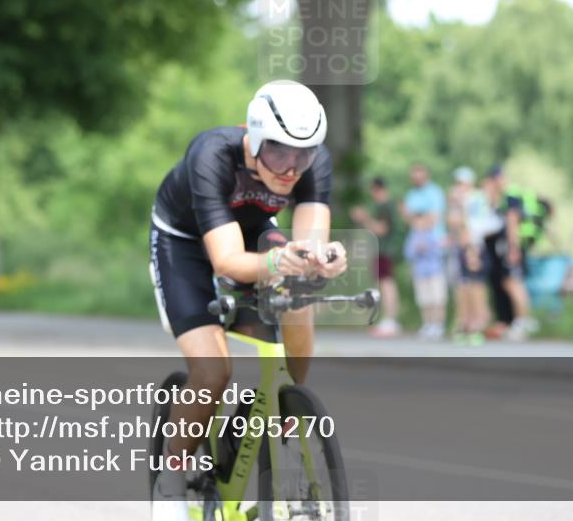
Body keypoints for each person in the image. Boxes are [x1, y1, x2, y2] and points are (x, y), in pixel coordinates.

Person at [148, 80, 348, 521]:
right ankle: (172, 477)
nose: (291, 167)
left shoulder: (311, 161)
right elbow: (227, 261)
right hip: (185, 243)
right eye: (278, 152)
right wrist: (279, 259)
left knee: (299, 303)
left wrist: (320, 259)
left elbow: (310, 240)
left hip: (253, 232)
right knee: (212, 370)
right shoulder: (211, 154)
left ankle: (284, 415)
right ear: (254, 138)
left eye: (304, 154)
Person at [482, 166, 539, 341]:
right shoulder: (496, 199)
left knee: (513, 283)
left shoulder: (510, 198)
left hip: (509, 246)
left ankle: (523, 321)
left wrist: (513, 248)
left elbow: (512, 222)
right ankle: (510, 321)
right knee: (506, 284)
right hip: (500, 247)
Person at [449, 167, 496, 344]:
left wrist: (472, 249)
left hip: (473, 246)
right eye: (458, 183)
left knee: (476, 286)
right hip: (462, 247)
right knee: (464, 287)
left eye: (463, 183)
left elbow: (474, 226)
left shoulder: (476, 198)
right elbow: (454, 223)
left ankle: (477, 325)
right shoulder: (458, 201)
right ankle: (465, 325)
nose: (460, 187)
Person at [350, 177, 402, 338]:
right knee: (382, 283)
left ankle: (391, 320)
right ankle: (388, 319)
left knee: (387, 284)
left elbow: (380, 229)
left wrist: (364, 217)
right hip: (379, 250)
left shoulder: (386, 206)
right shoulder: (382, 206)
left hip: (385, 249)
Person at [403, 211, 448, 340]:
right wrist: (417, 250)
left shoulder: (434, 234)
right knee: (424, 300)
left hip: (434, 271)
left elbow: (441, 251)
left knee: (437, 299)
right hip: (420, 273)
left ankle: (438, 325)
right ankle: (428, 324)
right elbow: (408, 253)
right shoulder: (413, 237)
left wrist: (428, 247)